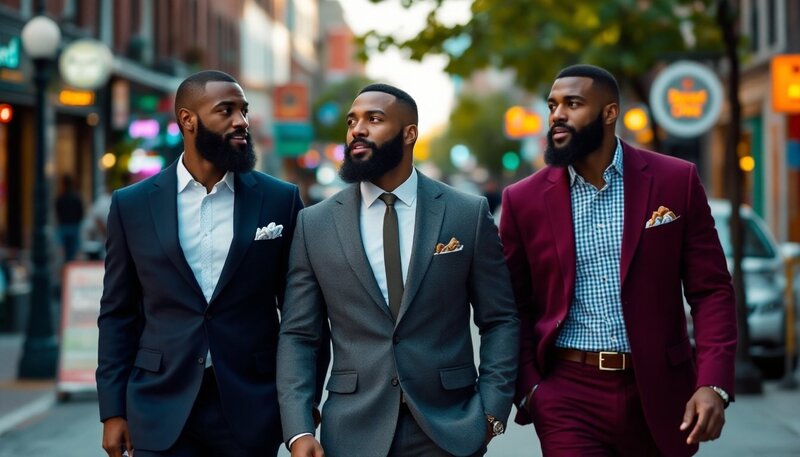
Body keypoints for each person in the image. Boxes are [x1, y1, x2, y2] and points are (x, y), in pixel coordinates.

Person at [499, 64, 737, 456]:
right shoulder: (523, 200)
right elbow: (512, 305)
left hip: (660, 389)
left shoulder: (675, 180)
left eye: (573, 104)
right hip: (568, 395)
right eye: (553, 105)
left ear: (610, 112)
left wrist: (713, 382)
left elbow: (711, 290)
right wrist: (531, 391)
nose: (557, 115)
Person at [277, 83, 520, 457]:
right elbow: (299, 334)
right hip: (353, 431)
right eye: (352, 121)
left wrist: (491, 413)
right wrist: (298, 429)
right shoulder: (314, 224)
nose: (358, 130)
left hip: (451, 428)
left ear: (410, 133)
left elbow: (500, 319)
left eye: (374, 119)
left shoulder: (466, 214)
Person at [96, 70, 327, 457]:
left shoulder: (280, 200)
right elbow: (118, 313)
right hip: (159, 407)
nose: (241, 121)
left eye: (244, 110)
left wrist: (302, 412)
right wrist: (113, 410)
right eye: (226, 110)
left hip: (251, 407)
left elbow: (304, 316)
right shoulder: (131, 205)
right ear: (188, 119)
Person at [56, 174, 84, 262]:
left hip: (64, 226)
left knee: (64, 253)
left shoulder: (61, 198)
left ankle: (66, 265)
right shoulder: (76, 197)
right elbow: (81, 212)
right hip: (74, 226)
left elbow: (58, 212)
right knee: (73, 252)